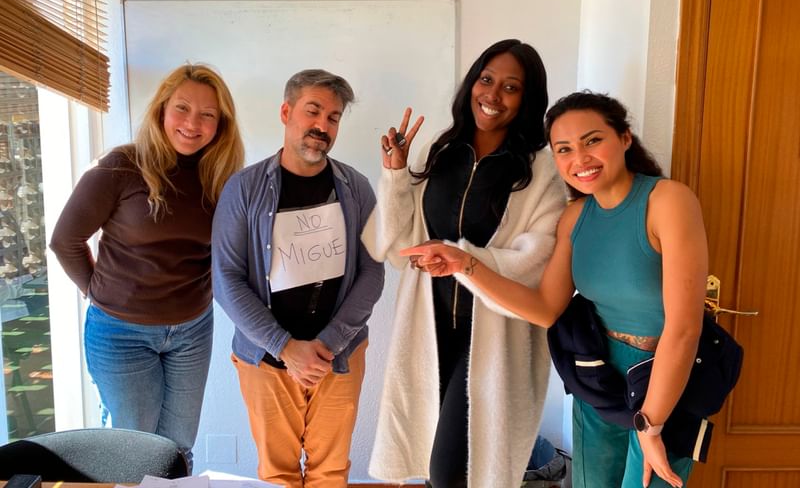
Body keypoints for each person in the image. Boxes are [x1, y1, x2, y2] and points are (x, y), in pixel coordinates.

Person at [402, 91, 708, 488]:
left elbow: (684, 329)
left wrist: (651, 428)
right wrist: (465, 263)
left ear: (625, 138)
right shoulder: (575, 216)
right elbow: (546, 307)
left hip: (665, 374)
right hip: (599, 377)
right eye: (564, 149)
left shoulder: (667, 200)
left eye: (593, 140)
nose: (579, 159)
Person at [362, 39, 566, 488]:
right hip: (428, 328)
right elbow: (396, 246)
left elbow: (536, 263)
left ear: (527, 99)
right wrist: (396, 175)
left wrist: (463, 259)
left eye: (511, 87)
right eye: (486, 79)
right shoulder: (442, 149)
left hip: (493, 338)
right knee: (434, 457)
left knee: (453, 472)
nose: (492, 95)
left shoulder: (541, 172)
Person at [49, 63, 244, 468]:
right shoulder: (121, 167)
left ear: (221, 124)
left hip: (192, 330)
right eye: (182, 108)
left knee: (177, 447)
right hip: (120, 334)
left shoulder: (222, 178)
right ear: (161, 110)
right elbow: (64, 240)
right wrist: (100, 293)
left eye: (208, 114)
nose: (193, 123)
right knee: (132, 450)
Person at [212, 69, 384, 488]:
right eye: (313, 111)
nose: (323, 126)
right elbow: (226, 279)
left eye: (334, 117)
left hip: (338, 357)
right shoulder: (244, 189)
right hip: (266, 361)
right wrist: (284, 347)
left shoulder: (356, 188)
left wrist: (327, 344)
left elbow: (373, 270)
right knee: (277, 476)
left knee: (331, 473)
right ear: (287, 112)